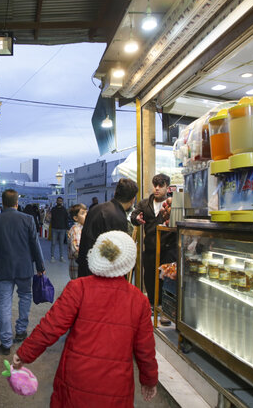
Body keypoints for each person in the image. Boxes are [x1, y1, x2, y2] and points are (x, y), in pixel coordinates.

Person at [14, 231, 158, 407]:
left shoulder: (78, 288)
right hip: (115, 386)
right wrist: (149, 380)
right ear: (129, 263)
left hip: (76, 379)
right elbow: (145, 349)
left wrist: (24, 354)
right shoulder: (139, 300)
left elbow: (50, 327)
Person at [0, 189, 45, 355]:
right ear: (17, 203)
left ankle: (6, 342)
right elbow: (35, 245)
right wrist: (40, 267)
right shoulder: (28, 219)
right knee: (25, 297)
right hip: (24, 268)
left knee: (5, 304)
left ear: (3, 203)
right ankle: (21, 330)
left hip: (4, 269)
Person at [131, 173, 177, 325]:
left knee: (167, 279)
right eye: (155, 185)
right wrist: (136, 219)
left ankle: (166, 311)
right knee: (150, 279)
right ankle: (152, 305)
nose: (157, 189)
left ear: (167, 187)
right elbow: (134, 214)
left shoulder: (173, 203)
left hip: (168, 248)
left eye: (160, 186)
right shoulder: (145, 203)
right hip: (150, 247)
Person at [77, 178, 139, 277]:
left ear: (115, 193)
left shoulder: (95, 208)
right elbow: (116, 254)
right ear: (133, 199)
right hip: (101, 274)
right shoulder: (118, 217)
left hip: (85, 267)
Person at [67, 203, 87, 280]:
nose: (86, 214)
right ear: (75, 218)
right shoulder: (76, 229)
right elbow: (76, 250)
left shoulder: (83, 228)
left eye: (86, 212)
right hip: (77, 267)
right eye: (83, 213)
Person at [49, 197, 70, 262]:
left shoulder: (64, 210)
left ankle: (61, 257)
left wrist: (67, 228)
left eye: (61, 201)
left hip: (62, 229)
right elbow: (50, 218)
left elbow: (66, 219)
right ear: (56, 201)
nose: (59, 202)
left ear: (62, 202)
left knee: (61, 244)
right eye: (58, 201)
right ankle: (52, 257)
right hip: (54, 228)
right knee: (53, 243)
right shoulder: (53, 209)